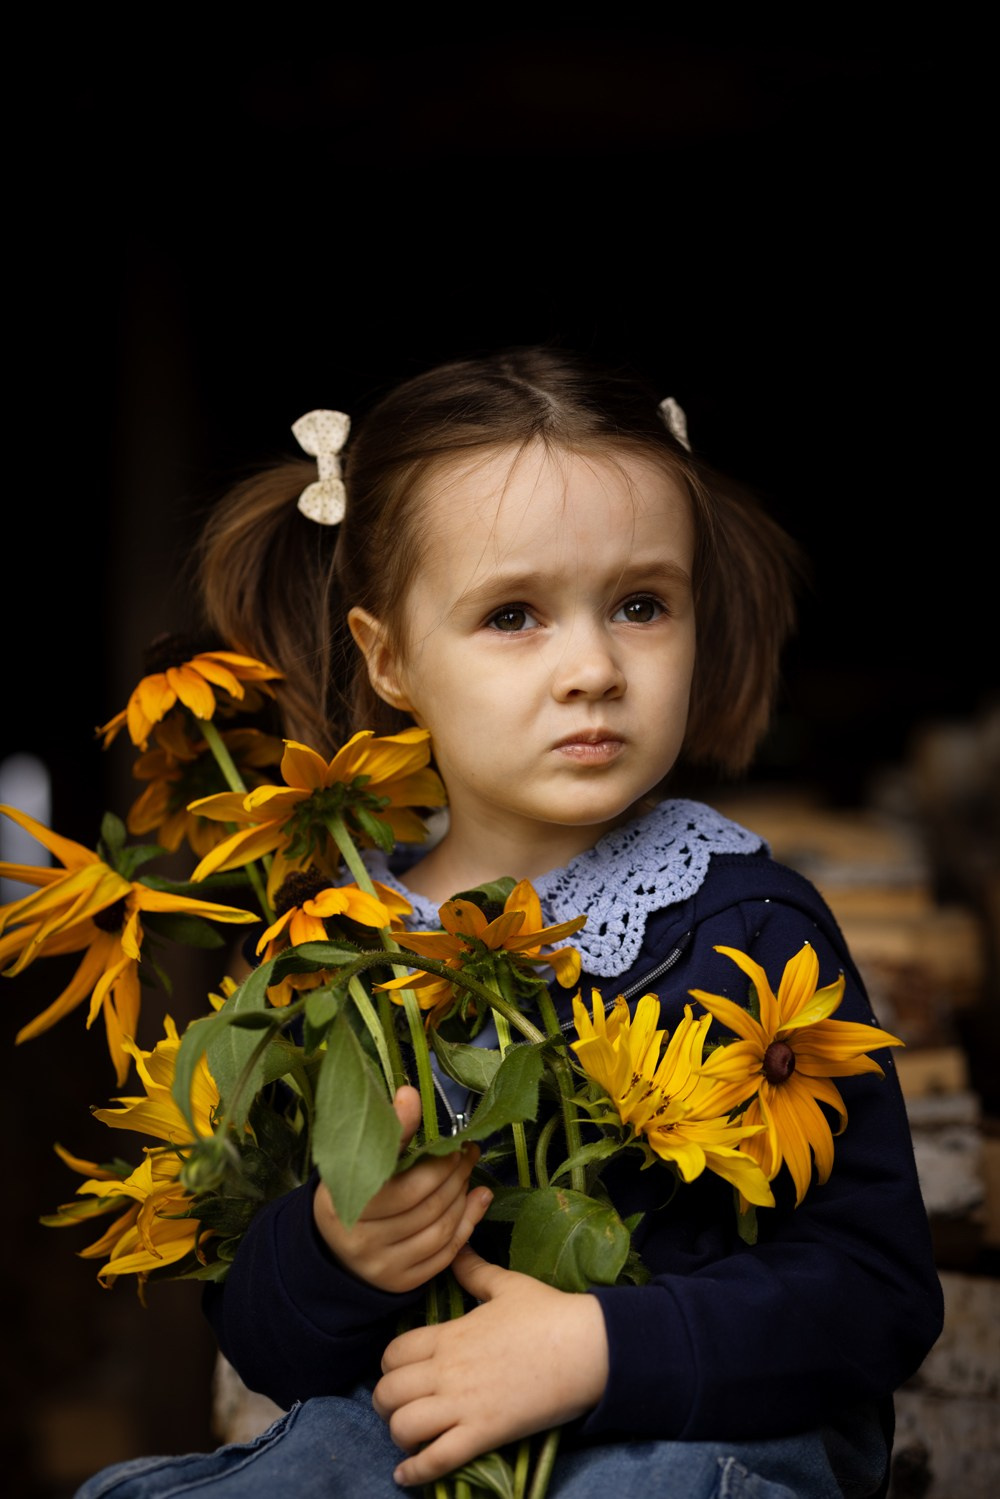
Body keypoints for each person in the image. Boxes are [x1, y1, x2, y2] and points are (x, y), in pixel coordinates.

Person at [74, 346, 943, 1499]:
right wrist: (335, 1250)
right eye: (513, 615)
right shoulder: (333, 943)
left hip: (698, 1442)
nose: (592, 666)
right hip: (411, 1449)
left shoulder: (747, 919)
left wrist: (596, 1347)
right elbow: (261, 1335)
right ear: (389, 659)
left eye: (641, 604)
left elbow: (877, 1291)